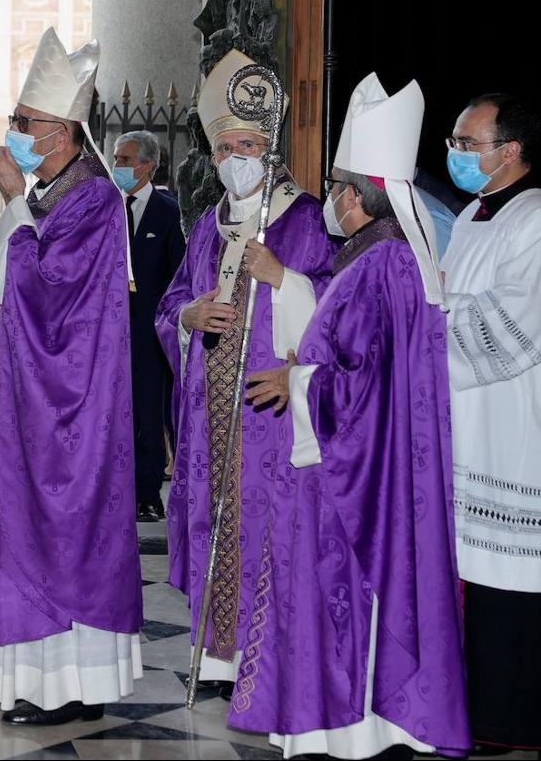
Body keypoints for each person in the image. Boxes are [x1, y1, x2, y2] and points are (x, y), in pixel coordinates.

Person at [227, 74, 471, 759]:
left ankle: (352, 732)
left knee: (346, 595)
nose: (330, 199)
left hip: (350, 477)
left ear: (362, 196)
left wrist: (295, 382)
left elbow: (363, 384)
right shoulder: (376, 255)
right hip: (356, 466)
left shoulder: (381, 263)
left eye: (339, 187)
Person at [0, 28, 144, 726]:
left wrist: (11, 201)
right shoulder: (54, 193)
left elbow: (51, 289)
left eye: (25, 122)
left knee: (59, 529)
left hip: (70, 411)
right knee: (20, 523)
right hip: (31, 404)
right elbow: (22, 273)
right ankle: (14, 673)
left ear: (63, 132)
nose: (14, 133)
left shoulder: (92, 200)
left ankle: (67, 686)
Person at [155, 48, 337, 698]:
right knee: (214, 525)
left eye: (249, 144)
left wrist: (281, 279)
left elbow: (334, 308)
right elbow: (169, 305)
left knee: (264, 528)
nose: (236, 156)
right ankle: (219, 658)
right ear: (212, 157)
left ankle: (266, 657)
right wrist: (190, 315)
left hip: (268, 411)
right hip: (211, 419)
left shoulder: (305, 217)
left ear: (271, 151)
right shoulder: (206, 225)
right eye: (226, 146)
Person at [442, 92, 540, 753]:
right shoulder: (476, 215)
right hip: (466, 427)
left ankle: (511, 722)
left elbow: (510, 328)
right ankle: (478, 712)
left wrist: (422, 329)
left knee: (510, 586)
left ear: (509, 151)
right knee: (477, 582)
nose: (455, 154)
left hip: (510, 434)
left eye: (466, 144)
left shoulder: (533, 219)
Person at [112, 129, 185, 522]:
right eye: (116, 158)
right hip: (108, 332)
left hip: (150, 334)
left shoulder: (168, 212)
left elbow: (177, 274)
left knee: (147, 415)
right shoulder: (106, 208)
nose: (117, 166)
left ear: (147, 165)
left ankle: (146, 493)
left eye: (124, 159)